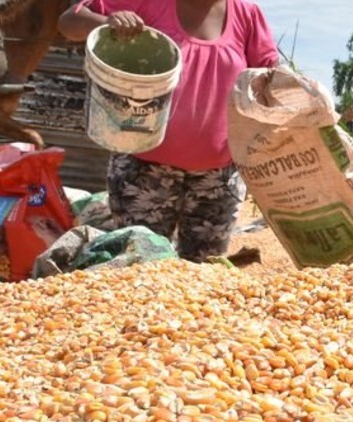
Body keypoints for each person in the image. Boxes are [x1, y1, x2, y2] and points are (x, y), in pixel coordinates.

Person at [57, 0, 278, 262]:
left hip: (217, 179)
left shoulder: (246, 15)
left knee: (202, 277)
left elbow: (269, 77)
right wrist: (107, 22)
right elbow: (69, 22)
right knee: (139, 271)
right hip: (145, 172)